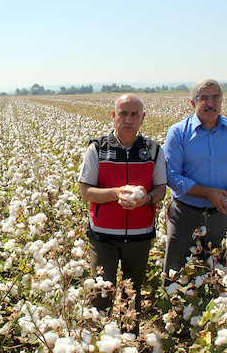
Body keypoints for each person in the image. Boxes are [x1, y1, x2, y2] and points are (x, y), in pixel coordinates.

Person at [78, 93, 167, 316]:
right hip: (103, 237)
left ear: (142, 117)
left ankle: (130, 340)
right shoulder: (97, 148)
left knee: (132, 294)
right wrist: (117, 192)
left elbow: (160, 190)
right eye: (123, 113)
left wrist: (146, 199)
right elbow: (85, 192)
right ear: (114, 116)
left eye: (134, 114)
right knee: (101, 296)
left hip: (140, 236)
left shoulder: (153, 150)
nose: (128, 119)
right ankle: (99, 340)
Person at [163, 79, 227, 278]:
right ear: (193, 103)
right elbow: (170, 175)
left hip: (222, 213)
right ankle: (175, 308)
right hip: (185, 214)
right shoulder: (178, 133)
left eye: (215, 97)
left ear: (222, 100)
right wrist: (207, 192)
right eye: (203, 98)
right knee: (176, 271)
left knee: (219, 271)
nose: (210, 103)